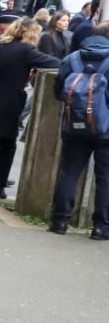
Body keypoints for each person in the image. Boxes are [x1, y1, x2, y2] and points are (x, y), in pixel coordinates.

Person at [0, 17, 60, 199]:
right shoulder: (27, 50)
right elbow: (54, 63)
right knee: (7, 146)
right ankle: (0, 187)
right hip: (9, 104)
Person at [48, 22, 109, 240]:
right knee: (105, 178)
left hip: (74, 125)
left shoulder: (73, 58)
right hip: (106, 130)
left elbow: (59, 90)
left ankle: (60, 221)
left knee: (70, 172)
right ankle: (101, 227)